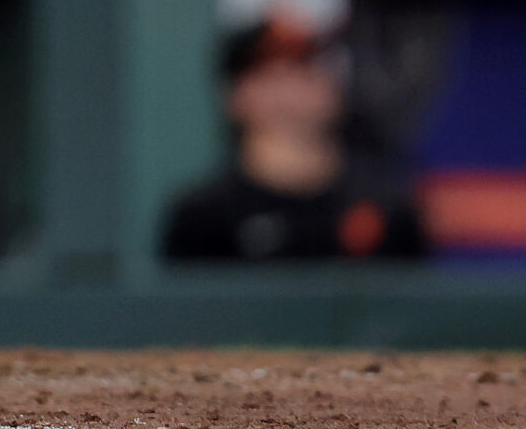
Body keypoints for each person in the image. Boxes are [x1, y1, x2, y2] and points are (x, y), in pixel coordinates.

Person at [162, 16, 425, 263]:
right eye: (271, 75)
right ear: (236, 96)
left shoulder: (387, 205)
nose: (291, 88)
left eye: (306, 68)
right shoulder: (205, 217)